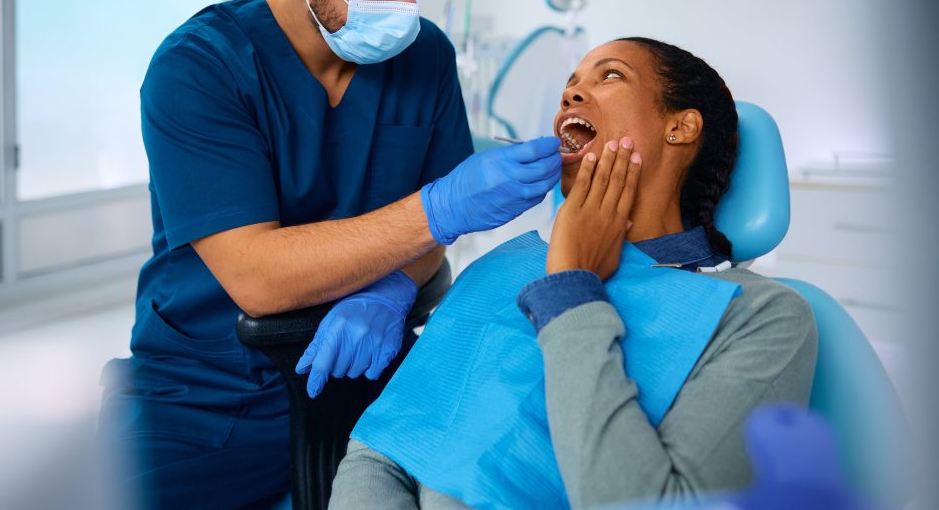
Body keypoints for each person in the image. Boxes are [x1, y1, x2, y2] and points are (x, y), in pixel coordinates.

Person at [96, 0, 562, 507]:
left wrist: (392, 288)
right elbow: (256, 274)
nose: (405, 3)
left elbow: (428, 242)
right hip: (204, 391)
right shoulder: (200, 69)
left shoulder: (424, 56)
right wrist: (437, 210)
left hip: (372, 378)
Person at [328, 37, 819, 509]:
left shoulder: (760, 315)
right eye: (571, 82)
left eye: (610, 76)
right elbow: (380, 452)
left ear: (681, 127)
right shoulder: (500, 267)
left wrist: (570, 290)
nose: (571, 93)